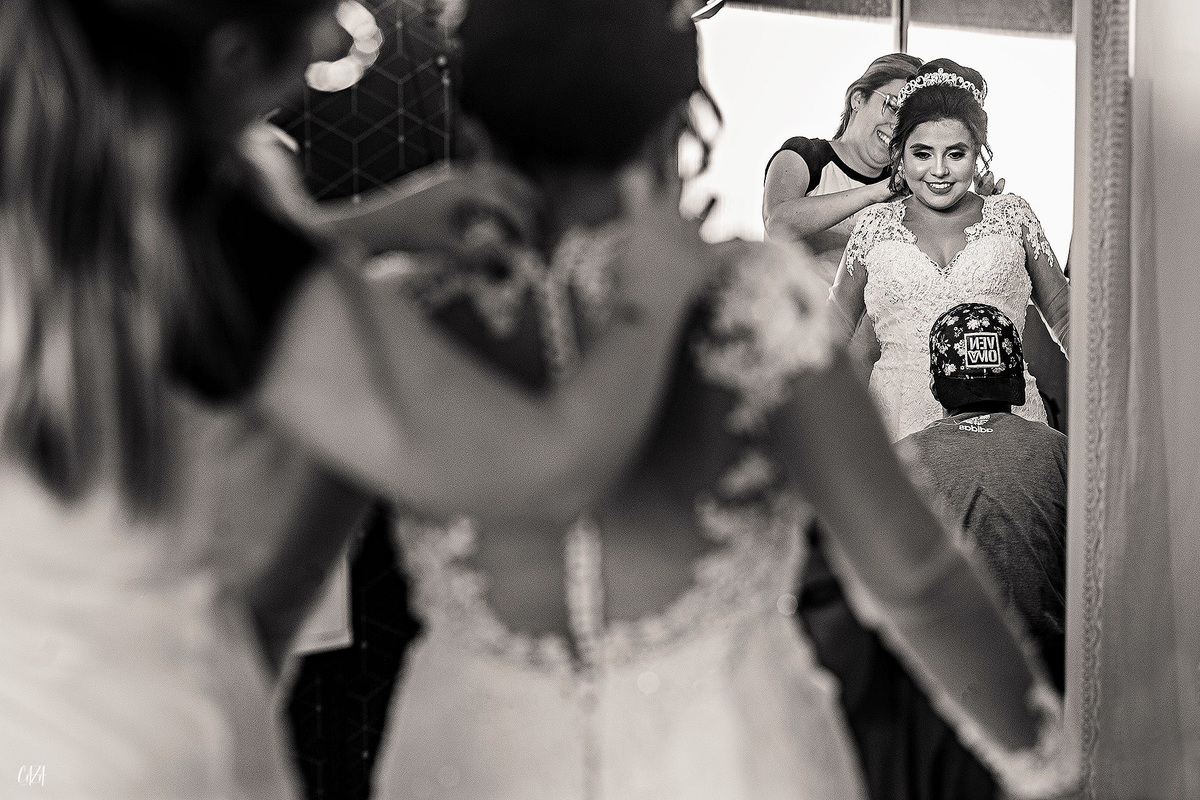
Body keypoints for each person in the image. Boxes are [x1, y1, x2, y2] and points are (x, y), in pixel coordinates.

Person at [0, 1, 709, 797]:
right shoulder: (223, 245)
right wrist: (654, 296)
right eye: (315, 19)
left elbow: (162, 294)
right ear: (230, 59)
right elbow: (548, 472)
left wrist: (369, 227)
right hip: (149, 737)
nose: (335, 42)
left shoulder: (43, 188)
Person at [363, 3, 1072, 798]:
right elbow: (916, 578)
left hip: (469, 762)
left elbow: (272, 583)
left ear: (474, 123)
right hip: (733, 761)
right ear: (678, 119)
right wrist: (1046, 767)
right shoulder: (752, 306)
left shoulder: (399, 315)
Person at [829, 58, 1070, 443]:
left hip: (1007, 429)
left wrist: (1111, 396)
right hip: (898, 427)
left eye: (955, 154)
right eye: (922, 154)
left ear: (977, 152)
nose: (939, 170)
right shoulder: (873, 227)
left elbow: (1066, 316)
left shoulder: (1013, 217)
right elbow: (829, 336)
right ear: (899, 154)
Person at [899, 302, 1066, 692]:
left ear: (936, 386)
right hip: (1054, 671)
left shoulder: (902, 459)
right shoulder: (1059, 450)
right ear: (1016, 380)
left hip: (949, 680)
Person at [763, 53, 922, 289]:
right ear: (858, 98)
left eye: (909, 123)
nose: (897, 128)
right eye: (893, 107)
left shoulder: (907, 196)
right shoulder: (805, 156)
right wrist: (876, 192)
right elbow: (778, 223)